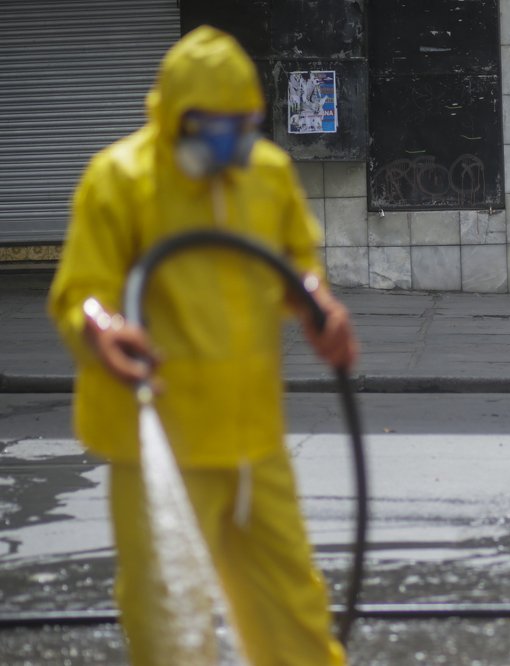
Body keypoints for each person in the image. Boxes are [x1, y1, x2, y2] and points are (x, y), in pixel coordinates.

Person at [48, 26, 356, 666]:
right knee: (170, 622)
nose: (236, 142)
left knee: (294, 608)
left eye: (246, 125)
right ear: (180, 120)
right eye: (222, 128)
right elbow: (81, 290)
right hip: (161, 445)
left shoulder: (265, 174)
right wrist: (103, 327)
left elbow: (294, 262)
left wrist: (318, 306)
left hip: (253, 441)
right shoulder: (120, 180)